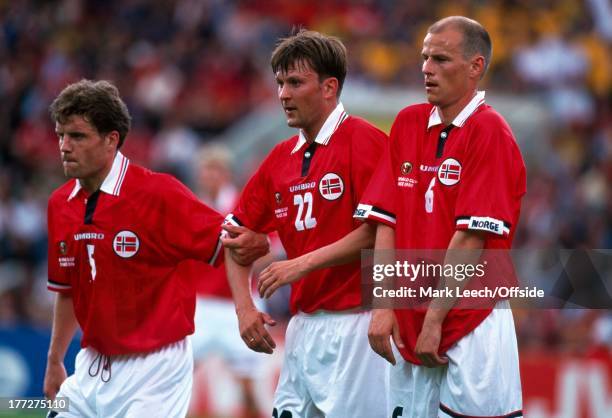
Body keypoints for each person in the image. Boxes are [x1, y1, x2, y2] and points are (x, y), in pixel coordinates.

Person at [43, 79, 268, 418]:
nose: (64, 146)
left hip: (154, 368)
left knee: (248, 388)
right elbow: (67, 290)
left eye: (77, 136)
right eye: (61, 135)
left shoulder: (159, 193)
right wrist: (55, 359)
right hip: (92, 364)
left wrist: (245, 309)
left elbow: (235, 245)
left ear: (111, 140)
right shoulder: (60, 204)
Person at [357, 16, 526, 418]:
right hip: (408, 323)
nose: (427, 69)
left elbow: (471, 238)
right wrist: (383, 305)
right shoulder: (407, 122)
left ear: (475, 67)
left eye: (441, 59)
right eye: (424, 58)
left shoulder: (490, 132)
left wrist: (435, 320)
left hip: (470, 321)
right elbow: (386, 221)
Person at [221, 30, 389, 417]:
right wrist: (245, 309)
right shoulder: (280, 158)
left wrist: (300, 263)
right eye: (280, 83)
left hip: (359, 327)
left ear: (330, 87)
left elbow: (380, 228)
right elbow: (234, 238)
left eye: (295, 82)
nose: (283, 94)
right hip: (303, 328)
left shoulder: (366, 142)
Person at [191, 143, 265, 418]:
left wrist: (247, 262)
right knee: (179, 380)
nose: (208, 176)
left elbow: (270, 247)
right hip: (202, 305)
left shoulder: (244, 206)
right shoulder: (194, 208)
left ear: (226, 174)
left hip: (240, 305)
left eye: (214, 170)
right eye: (204, 170)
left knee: (246, 386)